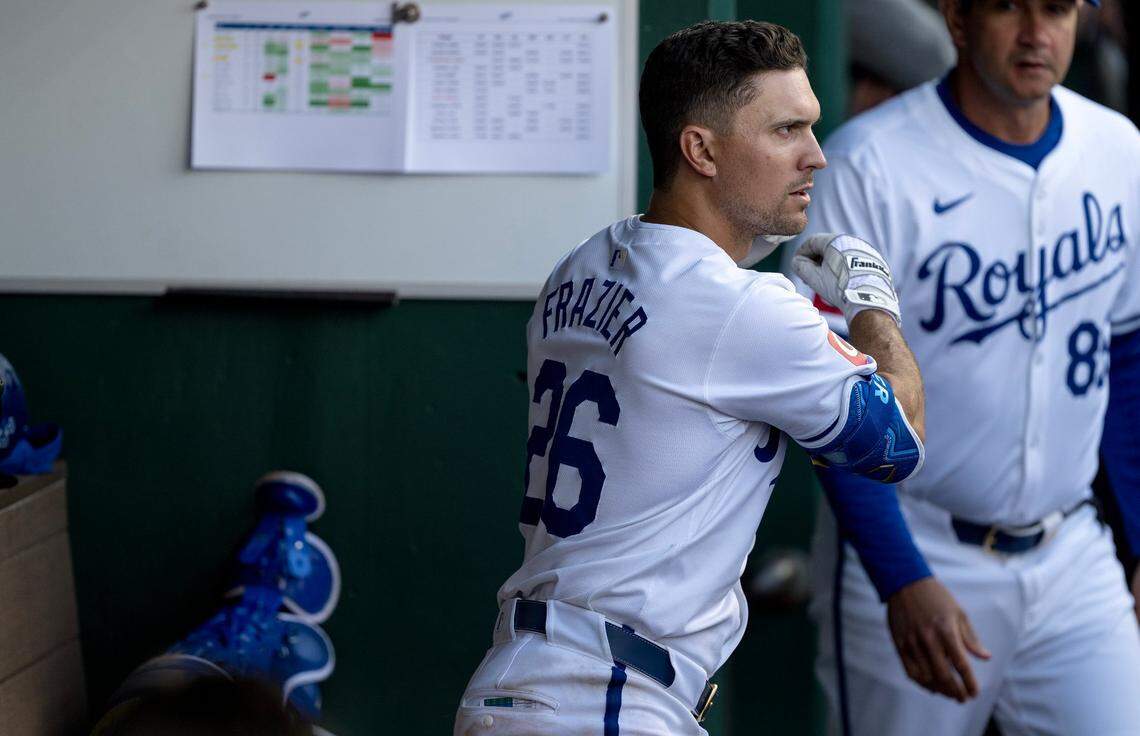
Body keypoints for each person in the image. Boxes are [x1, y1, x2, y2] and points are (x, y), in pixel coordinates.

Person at [454, 20, 937, 736]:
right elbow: (899, 441)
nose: (815, 157)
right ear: (700, 149)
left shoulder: (583, 263)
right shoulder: (742, 309)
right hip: (602, 696)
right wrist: (872, 306)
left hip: (533, 677)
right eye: (784, 131)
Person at [791, 1, 1140, 734]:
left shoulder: (1118, 150)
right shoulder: (870, 161)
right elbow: (831, 393)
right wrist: (901, 576)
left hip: (1073, 552)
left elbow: (1126, 356)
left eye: (1056, 8)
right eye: (1009, 6)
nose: (1036, 33)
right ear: (956, 17)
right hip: (918, 540)